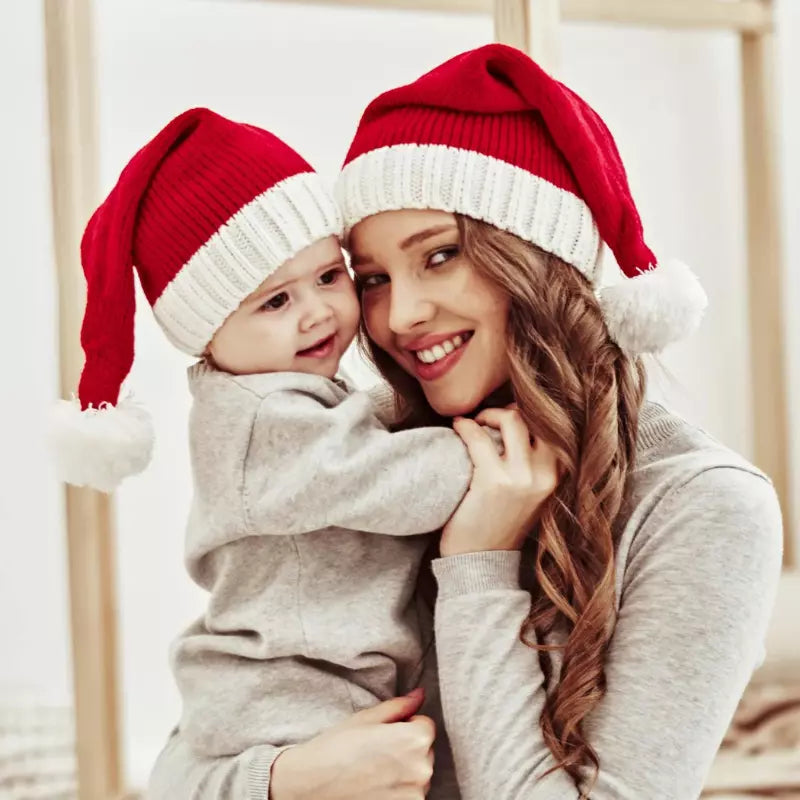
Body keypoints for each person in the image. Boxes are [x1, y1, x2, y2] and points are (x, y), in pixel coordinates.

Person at [147, 45, 784, 800]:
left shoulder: (703, 507)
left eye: (441, 255)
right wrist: (283, 780)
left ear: (534, 255)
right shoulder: (380, 452)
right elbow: (185, 759)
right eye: (374, 279)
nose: (400, 316)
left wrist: (480, 565)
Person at [49, 108, 483, 790]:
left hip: (304, 681)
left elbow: (349, 445)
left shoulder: (285, 397)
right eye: (275, 302)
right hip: (291, 694)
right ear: (209, 335)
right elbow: (380, 479)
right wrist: (477, 450)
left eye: (328, 277)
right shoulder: (259, 418)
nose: (315, 312)